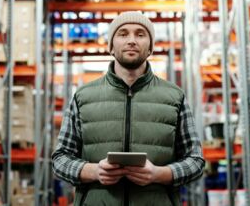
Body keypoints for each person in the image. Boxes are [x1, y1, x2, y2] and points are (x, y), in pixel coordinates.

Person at [52, 11, 205, 206]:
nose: (132, 40)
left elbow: (196, 161)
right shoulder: (83, 97)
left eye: (140, 34)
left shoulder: (175, 97)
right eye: (123, 34)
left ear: (150, 47)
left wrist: (159, 174)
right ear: (111, 46)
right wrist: (94, 171)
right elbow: (60, 159)